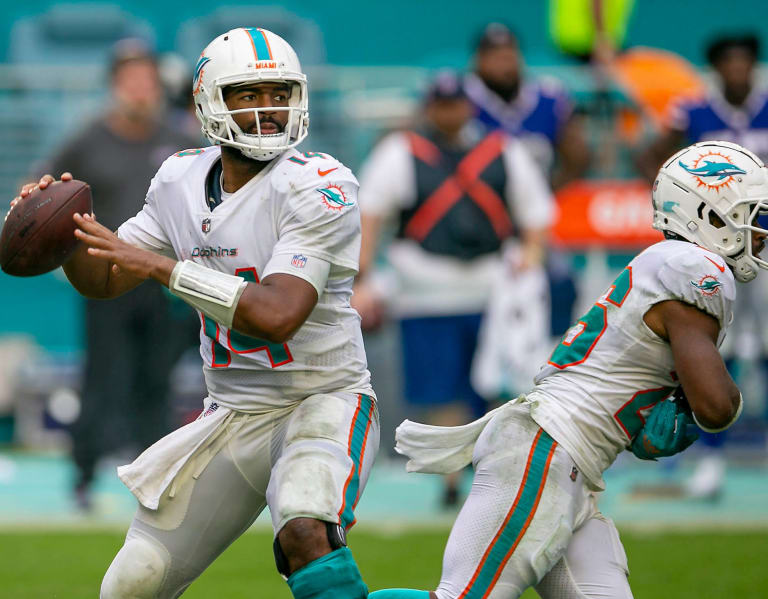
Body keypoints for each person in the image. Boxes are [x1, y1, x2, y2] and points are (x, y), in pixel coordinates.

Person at [14, 28, 377, 599]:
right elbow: (106, 279)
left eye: (277, 92)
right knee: (130, 585)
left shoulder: (320, 185)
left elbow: (280, 313)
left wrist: (163, 269)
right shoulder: (180, 178)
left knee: (305, 529)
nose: (268, 109)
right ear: (210, 101)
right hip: (232, 412)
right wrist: (70, 237)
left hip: (322, 398)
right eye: (247, 95)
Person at [367, 140, 766, 599]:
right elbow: (715, 406)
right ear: (708, 214)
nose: (759, 231)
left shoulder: (667, 264)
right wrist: (704, 408)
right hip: (546, 452)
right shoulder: (694, 267)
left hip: (568, 463)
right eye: (748, 213)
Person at [352, 70, 553, 507]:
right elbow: (371, 213)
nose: (449, 112)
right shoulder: (402, 150)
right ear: (430, 107)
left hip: (492, 289)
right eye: (441, 104)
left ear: (468, 106)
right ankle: (450, 480)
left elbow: (536, 212)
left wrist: (530, 262)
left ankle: (496, 474)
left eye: (456, 103)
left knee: (494, 385)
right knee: (441, 390)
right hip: (424, 290)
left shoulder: (502, 149)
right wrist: (363, 277)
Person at [36, 38, 201, 510]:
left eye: (146, 78)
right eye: (130, 78)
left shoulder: (178, 142)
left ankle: (151, 480)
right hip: (105, 282)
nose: (139, 88)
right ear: (114, 85)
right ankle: (83, 476)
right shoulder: (86, 140)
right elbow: (43, 194)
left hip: (161, 283)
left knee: (157, 382)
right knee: (103, 379)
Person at [637, 33, 768, 499]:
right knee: (715, 347)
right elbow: (655, 157)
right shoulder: (693, 110)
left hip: (763, 242)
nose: (737, 69)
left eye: (744, 61)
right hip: (717, 247)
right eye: (728, 62)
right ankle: (711, 459)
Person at [463, 23, 590, 189]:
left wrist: (550, 195)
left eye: (508, 57)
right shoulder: (463, 98)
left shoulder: (548, 97)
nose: (504, 66)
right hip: (477, 201)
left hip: (538, 200)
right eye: (495, 58)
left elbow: (577, 157)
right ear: (479, 61)